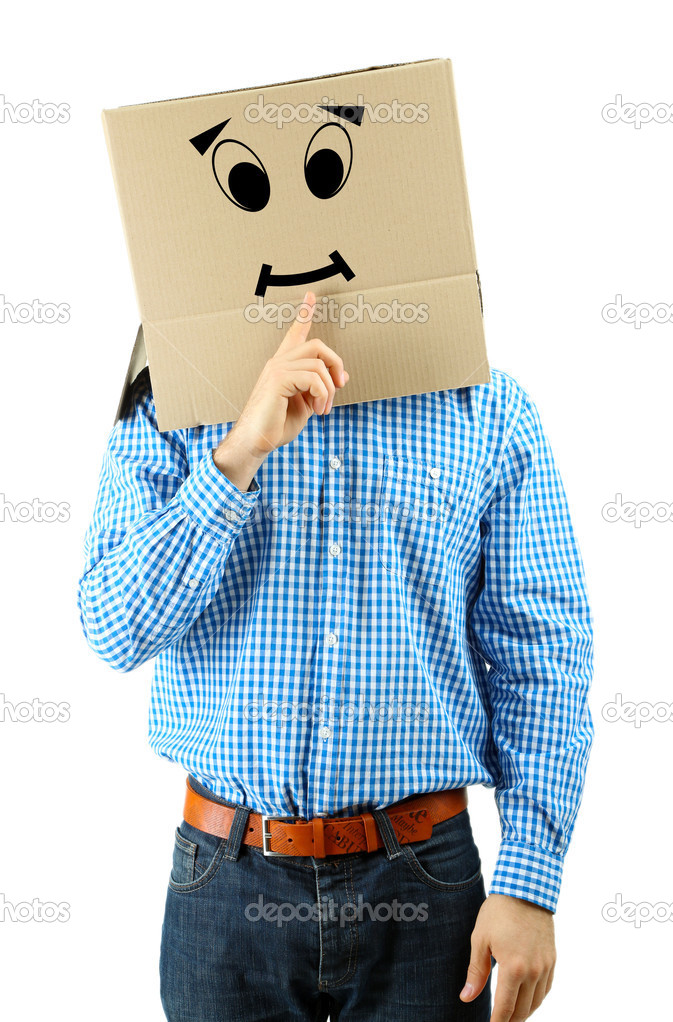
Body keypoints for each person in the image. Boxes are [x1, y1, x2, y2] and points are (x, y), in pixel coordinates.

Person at [78, 291, 594, 1021]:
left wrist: (529, 883)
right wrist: (236, 458)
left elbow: (541, 652)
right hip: (226, 883)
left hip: (423, 881)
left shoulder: (488, 410)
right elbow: (112, 626)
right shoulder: (173, 398)